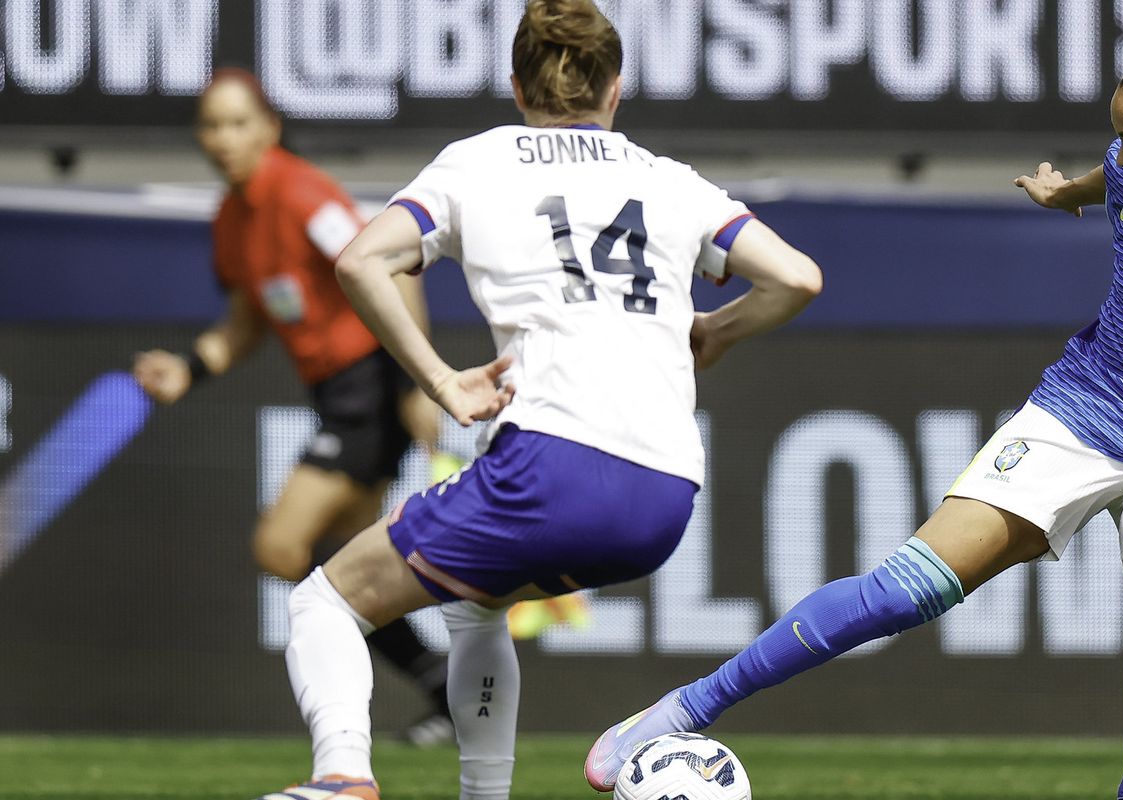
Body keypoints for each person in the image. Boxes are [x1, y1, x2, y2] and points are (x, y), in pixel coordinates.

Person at [588, 15, 1123, 800]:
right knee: (905, 589)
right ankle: (683, 708)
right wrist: (1060, 193)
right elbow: (1102, 180)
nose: (1121, 156)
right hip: (1088, 413)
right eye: (1118, 140)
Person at [251, 1, 822, 798]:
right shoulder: (671, 182)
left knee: (327, 600)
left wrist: (440, 379)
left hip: (550, 466)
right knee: (475, 603)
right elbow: (796, 277)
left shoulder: (478, 163)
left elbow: (359, 261)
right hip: (664, 496)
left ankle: (343, 775)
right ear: (616, 89)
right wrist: (716, 331)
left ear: (517, 87)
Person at [130, 69, 458, 747]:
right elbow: (245, 324)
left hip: (371, 388)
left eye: (238, 123)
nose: (223, 138)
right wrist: (187, 368)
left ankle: (441, 673)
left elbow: (389, 264)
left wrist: (417, 381)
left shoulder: (301, 192)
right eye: (211, 125)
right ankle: (446, 684)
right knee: (349, 568)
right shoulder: (231, 219)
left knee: (283, 546)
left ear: (269, 128)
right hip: (335, 398)